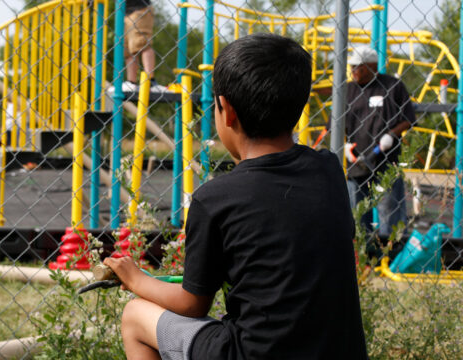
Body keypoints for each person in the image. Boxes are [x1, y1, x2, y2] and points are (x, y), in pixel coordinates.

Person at [103, 33, 367, 359]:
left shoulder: (215, 199)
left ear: (226, 111)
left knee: (135, 317)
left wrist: (136, 278)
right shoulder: (328, 171)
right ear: (299, 108)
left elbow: (192, 303)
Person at [344, 45, 415, 251]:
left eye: (357, 67)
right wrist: (345, 145)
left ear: (371, 66)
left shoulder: (392, 86)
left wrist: (391, 135)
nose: (353, 72)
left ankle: (390, 255)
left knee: (390, 210)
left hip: (386, 162)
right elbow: (334, 122)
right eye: (351, 67)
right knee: (357, 213)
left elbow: (408, 118)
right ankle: (363, 256)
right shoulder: (348, 90)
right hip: (356, 163)